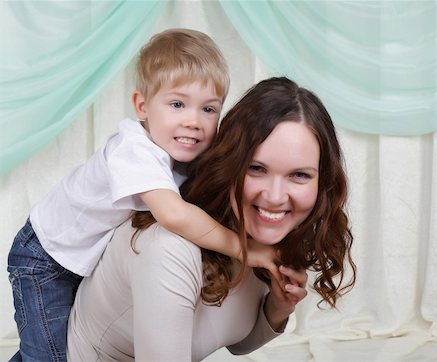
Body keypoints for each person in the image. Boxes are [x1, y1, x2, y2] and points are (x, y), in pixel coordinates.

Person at [7, 29, 278, 362]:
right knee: (49, 355)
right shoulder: (134, 149)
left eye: (208, 110)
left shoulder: (183, 153)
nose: (193, 121)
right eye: (177, 104)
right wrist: (245, 249)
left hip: (83, 257)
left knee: (51, 344)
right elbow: (174, 215)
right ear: (142, 106)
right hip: (45, 258)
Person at [66, 77, 357, 361]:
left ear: (323, 183)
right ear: (230, 165)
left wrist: (277, 308)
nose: (276, 196)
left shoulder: (257, 238)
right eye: (256, 169)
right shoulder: (170, 248)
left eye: (299, 175)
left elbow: (234, 341)